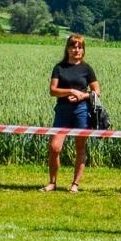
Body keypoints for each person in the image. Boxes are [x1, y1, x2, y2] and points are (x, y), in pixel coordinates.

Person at [45, 34, 98, 192]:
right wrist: (70, 91)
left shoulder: (87, 69)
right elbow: (53, 90)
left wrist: (83, 95)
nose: (76, 50)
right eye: (73, 46)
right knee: (55, 147)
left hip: (82, 111)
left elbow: (97, 92)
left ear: (83, 50)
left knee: (80, 147)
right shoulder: (59, 68)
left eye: (79, 47)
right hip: (62, 111)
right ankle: (52, 182)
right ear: (67, 49)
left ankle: (75, 184)